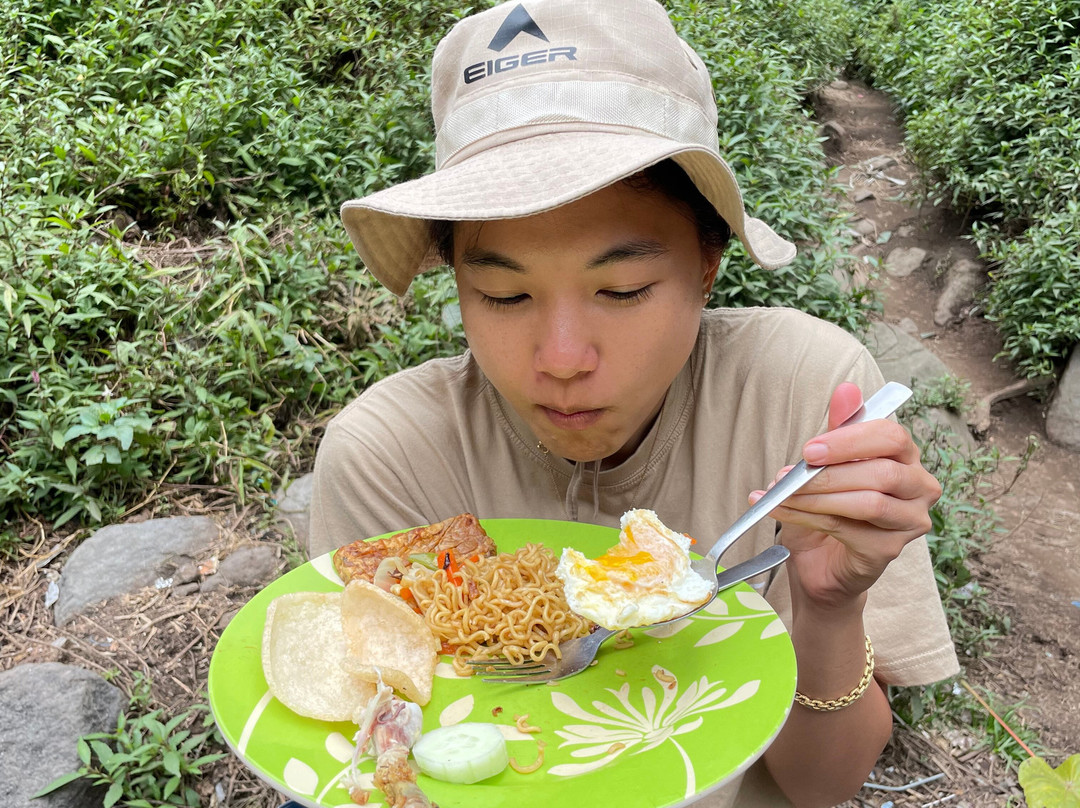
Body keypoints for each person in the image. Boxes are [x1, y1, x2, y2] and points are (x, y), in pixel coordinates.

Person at [307, 0, 960, 805]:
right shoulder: (394, 453)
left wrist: (828, 611)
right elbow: (368, 759)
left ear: (709, 259)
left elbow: (821, 789)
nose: (562, 360)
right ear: (456, 283)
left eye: (622, 289)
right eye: (504, 295)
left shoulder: (802, 392)